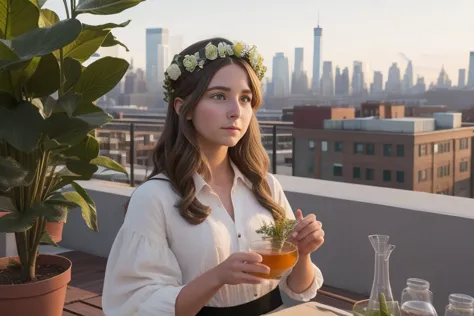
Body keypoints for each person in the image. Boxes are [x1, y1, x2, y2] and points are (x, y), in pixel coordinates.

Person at [102, 38, 325, 316]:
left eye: (245, 98)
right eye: (219, 96)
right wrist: (218, 276)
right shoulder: (154, 198)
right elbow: (139, 304)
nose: (236, 111)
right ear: (184, 108)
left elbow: (297, 288)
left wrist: (304, 253)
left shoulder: (266, 186)